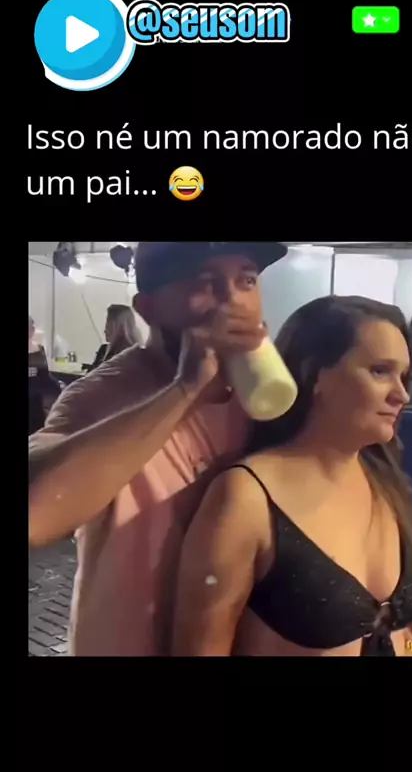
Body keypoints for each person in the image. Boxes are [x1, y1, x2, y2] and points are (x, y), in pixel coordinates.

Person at [28, 241, 287, 656]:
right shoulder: (100, 396)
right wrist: (185, 388)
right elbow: (35, 514)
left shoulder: (265, 394)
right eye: (205, 283)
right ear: (147, 308)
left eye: (247, 281)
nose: (233, 302)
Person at [172, 296, 412, 656]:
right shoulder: (245, 497)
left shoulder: (386, 482)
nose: (401, 394)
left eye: (402, 376)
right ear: (313, 374)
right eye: (379, 371)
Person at [28, 316, 61, 435]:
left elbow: (45, 376)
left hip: (36, 401)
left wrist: (59, 386)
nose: (31, 330)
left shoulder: (39, 349)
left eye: (32, 327)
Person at [90, 304, 143, 371]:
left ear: (117, 327)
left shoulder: (125, 356)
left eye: (107, 325)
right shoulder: (138, 354)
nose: (104, 330)